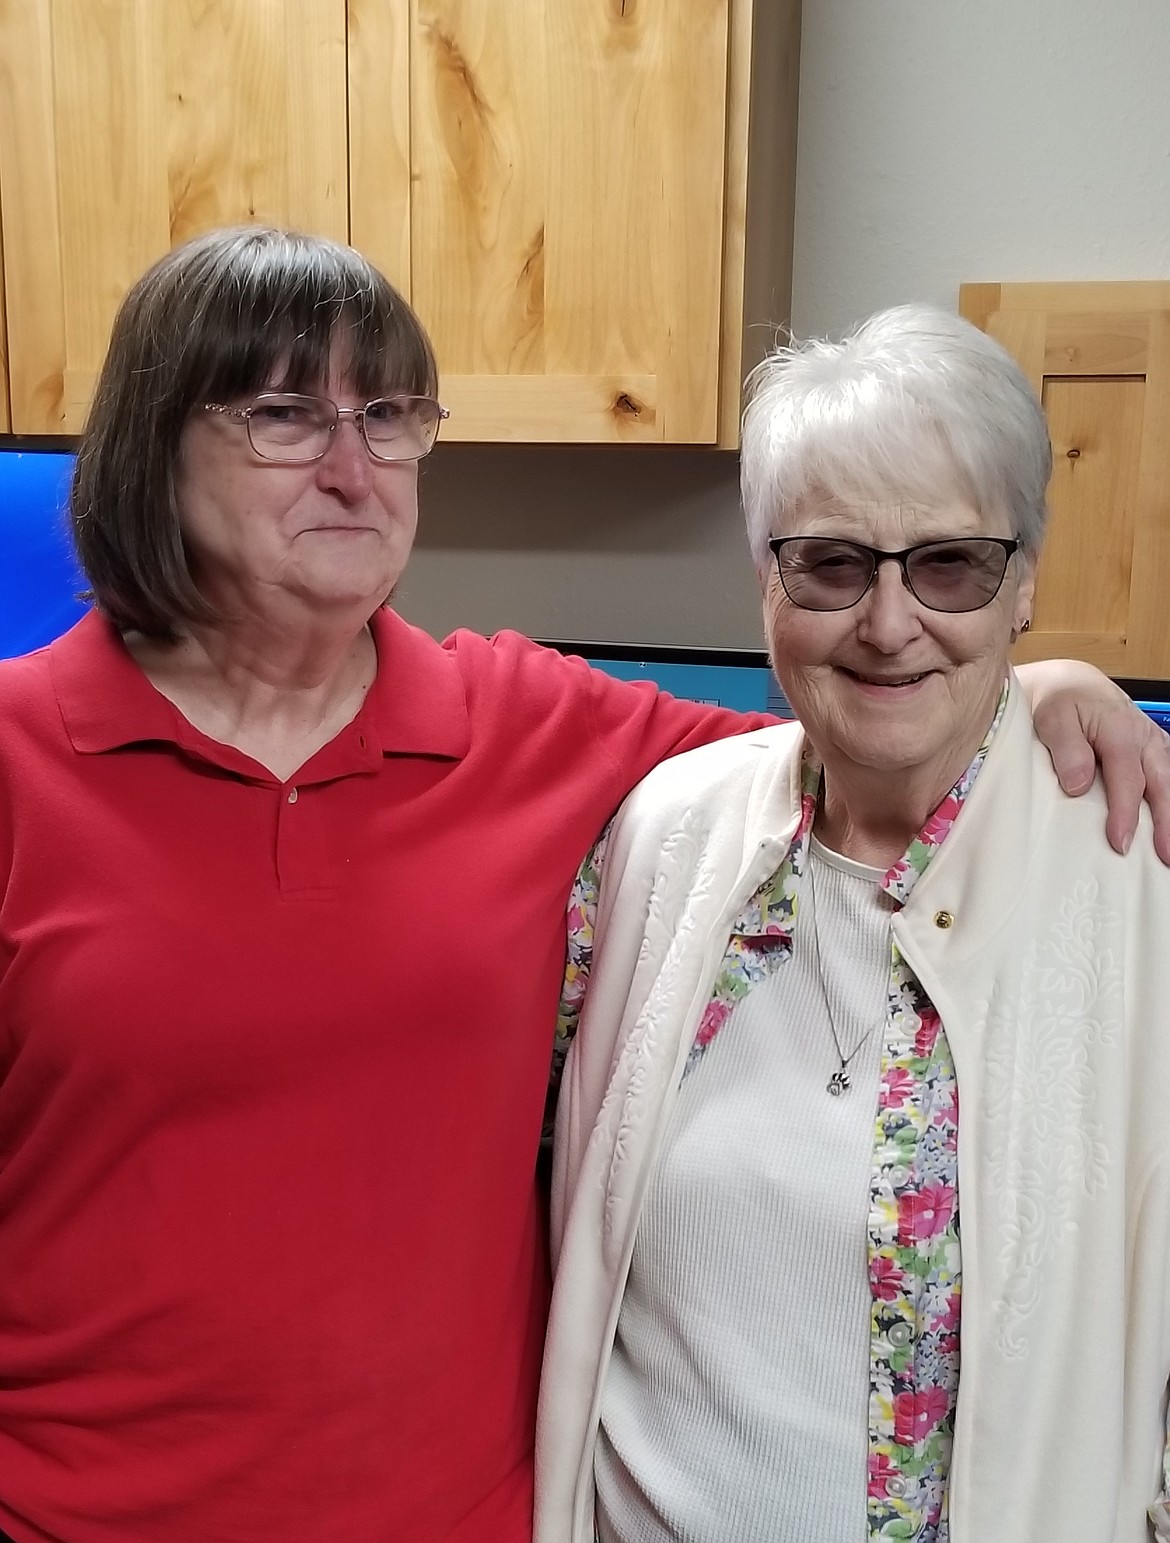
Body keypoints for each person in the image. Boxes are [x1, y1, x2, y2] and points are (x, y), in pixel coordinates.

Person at [0, 235, 1164, 1543]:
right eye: (283, 414)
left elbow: (861, 727)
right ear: (154, 439)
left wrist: (1041, 688)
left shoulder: (524, 722)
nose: (351, 464)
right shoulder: (16, 761)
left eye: (387, 416)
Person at [536, 303, 1170, 1543]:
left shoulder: (1138, 875)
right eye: (831, 563)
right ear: (765, 581)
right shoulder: (664, 831)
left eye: (950, 564)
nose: (888, 624)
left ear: (1025, 581)